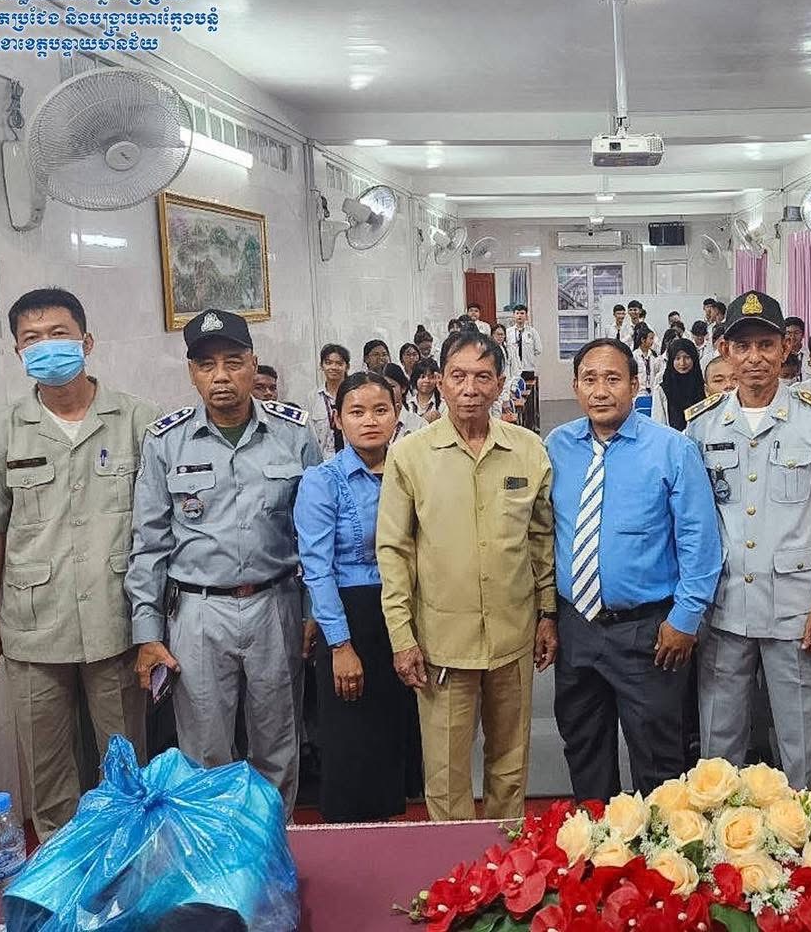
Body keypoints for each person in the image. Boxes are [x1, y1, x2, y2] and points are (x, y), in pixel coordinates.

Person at [0, 287, 157, 840]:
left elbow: (162, 526)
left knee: (126, 765)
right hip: (34, 629)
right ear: (17, 352)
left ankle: (129, 861)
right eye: (32, 339)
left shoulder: (138, 420)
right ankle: (61, 868)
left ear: (87, 342)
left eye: (59, 334)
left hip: (118, 623)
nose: (47, 347)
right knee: (48, 775)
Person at [126, 309, 322, 814]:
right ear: (192, 372)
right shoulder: (165, 441)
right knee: (204, 749)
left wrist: (314, 611)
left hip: (275, 603)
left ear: (253, 364)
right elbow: (149, 543)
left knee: (277, 744)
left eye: (233, 362)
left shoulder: (294, 434)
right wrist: (147, 632)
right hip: (197, 612)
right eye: (206, 365)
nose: (221, 376)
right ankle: (214, 852)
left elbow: (316, 535)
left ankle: (270, 844)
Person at [377, 330, 557, 821]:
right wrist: (402, 637)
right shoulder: (410, 455)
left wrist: (547, 613)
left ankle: (508, 862)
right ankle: (452, 865)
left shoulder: (528, 451)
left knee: (510, 766)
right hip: (442, 644)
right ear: (440, 381)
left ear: (499, 383)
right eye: (458, 376)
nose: (470, 388)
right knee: (447, 773)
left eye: (482, 376)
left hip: (513, 636)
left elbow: (540, 539)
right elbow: (394, 551)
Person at [684, 291, 811, 788]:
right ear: (725, 350)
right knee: (719, 747)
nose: (755, 357)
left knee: (801, 745)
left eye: (766, 344)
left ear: (786, 348)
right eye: (742, 346)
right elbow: (691, 520)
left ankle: (803, 833)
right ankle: (723, 833)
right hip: (723, 604)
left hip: (796, 608)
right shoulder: (701, 425)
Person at [546, 338, 722, 799]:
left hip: (650, 632)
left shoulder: (672, 449)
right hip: (577, 627)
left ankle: (659, 846)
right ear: (575, 387)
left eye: (612, 379)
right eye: (589, 379)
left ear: (635, 384)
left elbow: (700, 544)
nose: (600, 390)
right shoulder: (556, 447)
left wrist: (685, 619)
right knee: (584, 748)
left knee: (658, 760)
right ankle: (595, 839)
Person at [294, 372, 411, 822]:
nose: (369, 421)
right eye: (356, 412)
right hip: (349, 616)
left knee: (397, 739)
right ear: (337, 420)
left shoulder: (410, 471)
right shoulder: (323, 481)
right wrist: (340, 644)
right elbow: (317, 567)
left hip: (401, 614)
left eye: (380, 410)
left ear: (397, 416)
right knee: (351, 744)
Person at [653, 339, 706, 431]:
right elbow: (658, 425)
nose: (682, 363)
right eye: (677, 358)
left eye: (687, 357)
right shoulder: (662, 390)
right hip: (672, 438)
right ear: (671, 361)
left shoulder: (704, 387)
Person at [312, 344, 351, 459]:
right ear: (321, 366)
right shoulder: (313, 397)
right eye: (328, 363)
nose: (333, 367)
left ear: (347, 367)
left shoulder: (354, 395)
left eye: (339, 363)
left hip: (353, 458)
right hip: (324, 460)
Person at [508, 303, 543, 433]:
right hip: (514, 371)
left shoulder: (532, 332)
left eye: (522, 313)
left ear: (526, 316)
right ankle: (519, 427)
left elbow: (538, 349)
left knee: (530, 401)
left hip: (528, 369)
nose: (519, 316)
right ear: (513, 315)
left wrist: (529, 358)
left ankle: (532, 425)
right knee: (516, 397)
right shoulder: (508, 332)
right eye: (517, 313)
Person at [632, 324, 658, 394]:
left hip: (652, 391)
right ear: (643, 340)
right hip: (639, 392)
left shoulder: (654, 355)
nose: (653, 341)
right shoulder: (634, 356)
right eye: (651, 338)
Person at [783, 315, 810, 380]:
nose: (792, 337)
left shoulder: (810, 355)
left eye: (796, 333)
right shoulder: (779, 356)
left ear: (803, 334)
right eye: (788, 333)